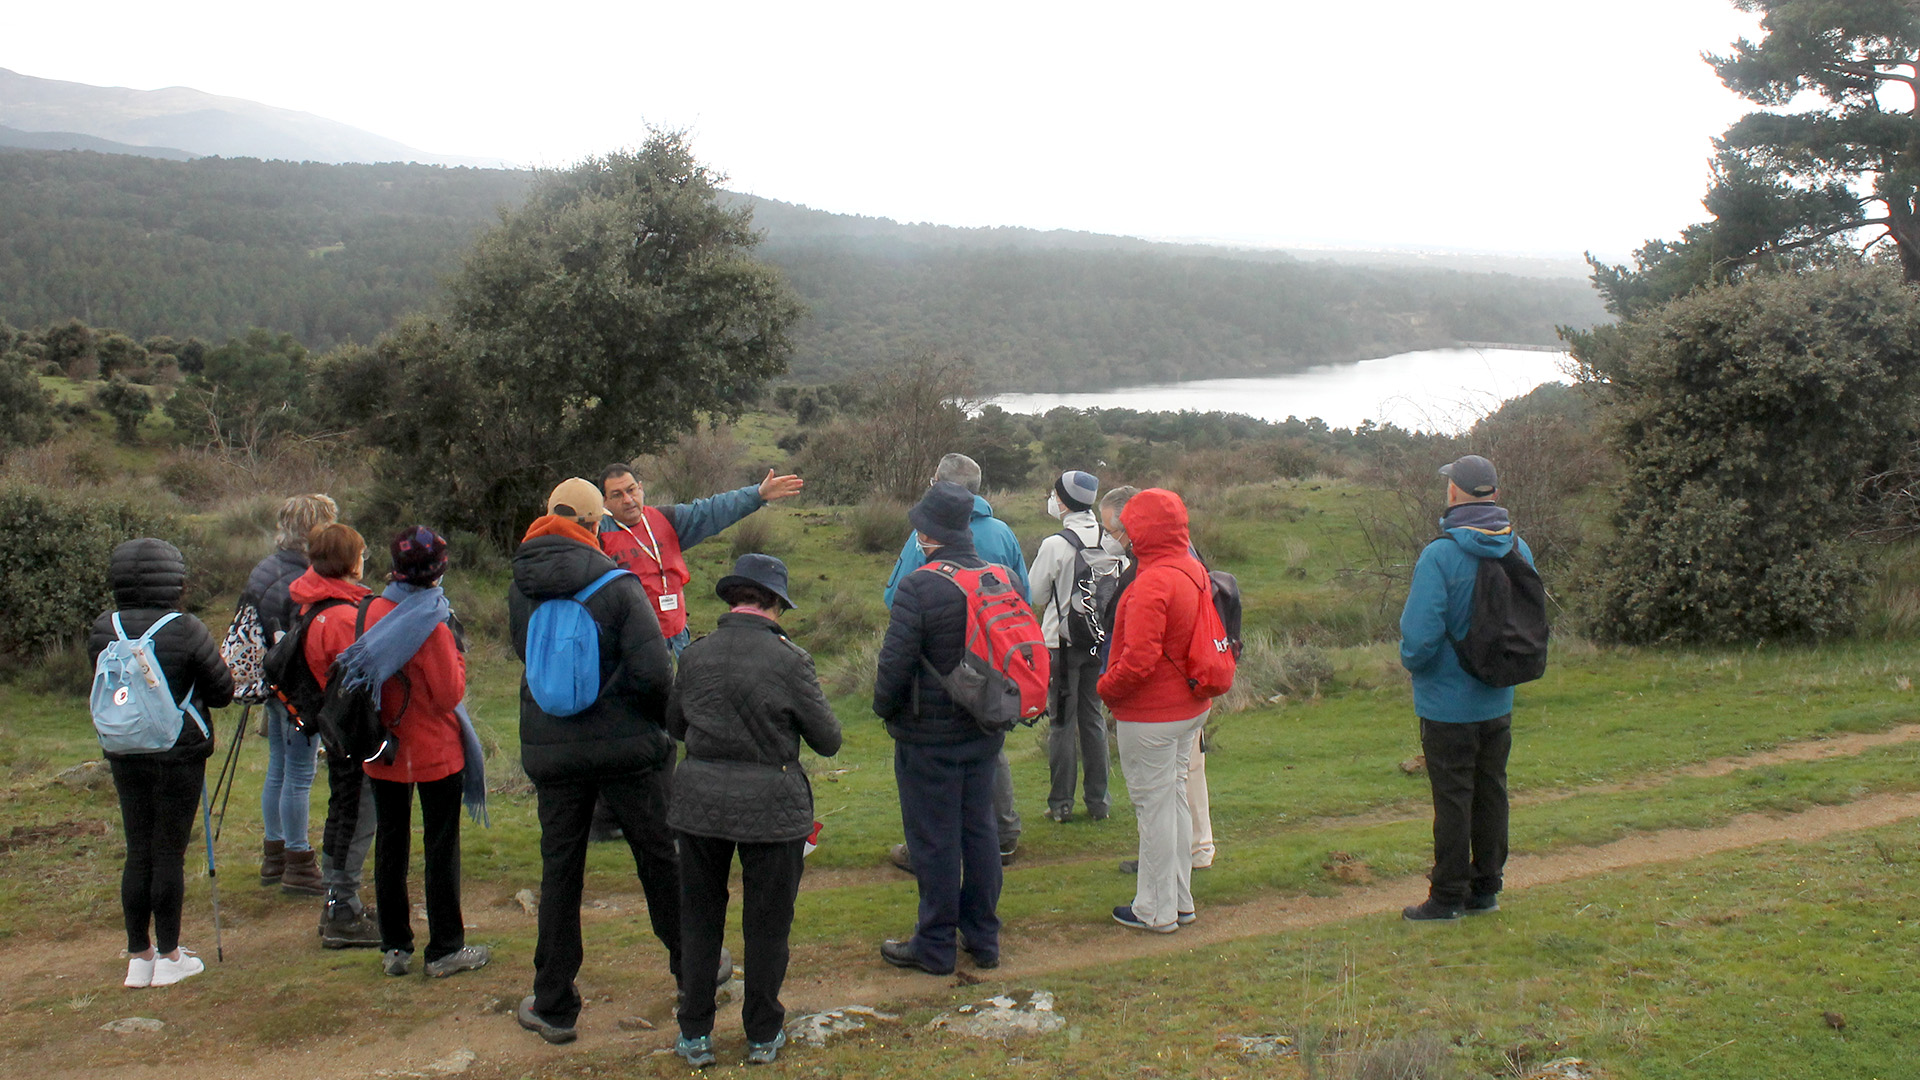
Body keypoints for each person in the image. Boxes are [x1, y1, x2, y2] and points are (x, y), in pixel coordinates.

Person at [511, 478, 719, 1044]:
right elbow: (654, 673)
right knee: (659, 859)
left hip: (552, 749)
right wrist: (657, 728)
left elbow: (525, 654)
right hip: (628, 749)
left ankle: (554, 1003)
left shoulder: (522, 586)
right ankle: (694, 973)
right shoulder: (619, 585)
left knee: (560, 870)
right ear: (596, 524)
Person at [666, 554, 842, 1069]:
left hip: (699, 801)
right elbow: (828, 739)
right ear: (775, 604)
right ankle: (763, 1034)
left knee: (699, 919)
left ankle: (695, 1032)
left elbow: (675, 725)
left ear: (733, 599)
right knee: (767, 924)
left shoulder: (694, 655)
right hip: (773, 803)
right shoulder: (792, 661)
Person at [306, 525, 489, 977]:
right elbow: (448, 695)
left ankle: (395, 947)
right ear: (438, 571)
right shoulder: (433, 623)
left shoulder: (370, 610)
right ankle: (445, 948)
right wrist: (459, 658)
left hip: (382, 748)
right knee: (440, 850)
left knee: (391, 846)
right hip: (435, 751)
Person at [872, 481, 1007, 975]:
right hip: (985, 728)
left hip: (928, 736)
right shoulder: (1001, 577)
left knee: (934, 840)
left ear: (929, 534)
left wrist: (885, 711)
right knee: (980, 831)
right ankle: (983, 937)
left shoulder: (920, 586)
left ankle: (934, 945)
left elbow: (894, 666)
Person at [91, 538, 236, 989]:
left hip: (123, 749)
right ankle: (171, 956)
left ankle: (140, 958)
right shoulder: (186, 628)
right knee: (168, 852)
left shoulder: (103, 627)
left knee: (138, 849)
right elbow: (222, 692)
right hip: (178, 753)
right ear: (174, 578)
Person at [1397, 454, 1533, 921]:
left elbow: (1419, 639)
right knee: (1491, 791)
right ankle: (1486, 889)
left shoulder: (1439, 555)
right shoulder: (1518, 548)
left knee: (1453, 798)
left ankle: (1447, 897)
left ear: (1454, 492)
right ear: (1494, 494)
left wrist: (1414, 666)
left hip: (1445, 703)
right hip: (1497, 697)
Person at [881, 453, 1025, 871]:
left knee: (936, 777)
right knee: (988, 750)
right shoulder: (1003, 533)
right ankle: (1004, 833)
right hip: (992, 667)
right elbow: (1023, 595)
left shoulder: (924, 539)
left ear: (938, 486)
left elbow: (895, 597)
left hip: (939, 675)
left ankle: (927, 853)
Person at [1096, 489, 1212, 934]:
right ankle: (1178, 901)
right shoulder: (1191, 568)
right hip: (1189, 705)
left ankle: (1156, 910)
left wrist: (1106, 688)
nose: (1123, 535)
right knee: (1174, 800)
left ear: (1142, 530)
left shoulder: (1152, 582)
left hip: (1152, 714)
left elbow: (1138, 660)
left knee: (1154, 810)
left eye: (1127, 527)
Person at [598, 463, 805, 659]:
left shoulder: (667, 519)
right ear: (604, 502)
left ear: (641, 488)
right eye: (617, 495)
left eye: (631, 490)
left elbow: (711, 511)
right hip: (632, 643)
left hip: (678, 637)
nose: (628, 499)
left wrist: (757, 495)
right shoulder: (597, 535)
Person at [288, 524, 381, 946]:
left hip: (334, 728)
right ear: (349, 561)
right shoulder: (343, 616)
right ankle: (343, 907)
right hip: (353, 730)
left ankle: (338, 902)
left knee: (341, 811)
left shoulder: (315, 605)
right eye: (361, 553)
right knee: (357, 815)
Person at [1028, 470, 1119, 824]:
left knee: (1062, 724)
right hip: (1098, 642)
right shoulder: (1109, 538)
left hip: (1060, 645)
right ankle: (1099, 802)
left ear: (1063, 502)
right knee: (1093, 719)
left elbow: (1036, 594)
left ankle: (1061, 803)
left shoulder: (1055, 544)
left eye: (1055, 495)